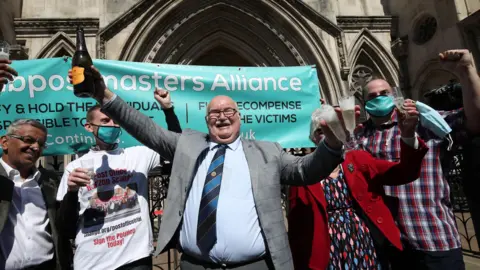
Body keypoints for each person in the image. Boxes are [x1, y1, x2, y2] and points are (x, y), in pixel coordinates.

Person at [67, 66, 355, 270]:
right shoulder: (188, 144)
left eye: (228, 111)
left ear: (239, 117)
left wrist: (331, 143)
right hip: (195, 265)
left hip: (254, 266)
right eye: (214, 113)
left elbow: (307, 171)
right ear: (206, 121)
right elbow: (145, 128)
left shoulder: (268, 151)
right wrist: (104, 94)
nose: (222, 117)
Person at [356, 49, 480, 269]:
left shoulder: (425, 123)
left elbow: (475, 119)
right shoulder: (359, 136)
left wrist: (467, 72)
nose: (379, 98)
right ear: (364, 102)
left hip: (433, 239)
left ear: (394, 95)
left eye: (384, 93)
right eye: (372, 97)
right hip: (389, 245)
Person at [288, 101, 429, 270]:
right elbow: (297, 224)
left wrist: (408, 136)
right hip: (325, 248)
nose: (327, 134)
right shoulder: (302, 172)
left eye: (332, 128)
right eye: (320, 130)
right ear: (313, 137)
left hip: (365, 240)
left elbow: (405, 172)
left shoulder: (358, 159)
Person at [55, 88, 182, 270]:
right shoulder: (74, 168)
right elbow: (65, 228)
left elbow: (175, 147)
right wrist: (72, 192)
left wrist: (168, 110)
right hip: (92, 264)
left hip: (136, 260)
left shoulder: (139, 155)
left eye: (115, 120)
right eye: (105, 121)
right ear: (89, 127)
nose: (112, 125)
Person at [0, 118, 73, 270]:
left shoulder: (50, 181)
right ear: (5, 143)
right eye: (28, 140)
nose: (35, 147)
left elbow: (64, 225)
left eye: (40, 144)